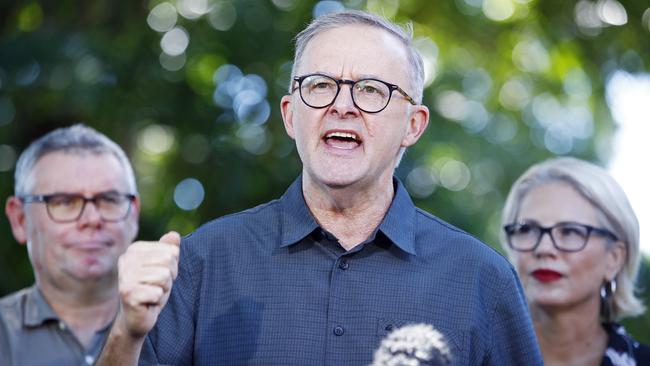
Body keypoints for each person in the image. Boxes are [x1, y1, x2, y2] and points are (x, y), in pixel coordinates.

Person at [99, 10, 542, 365]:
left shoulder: (480, 279)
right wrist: (127, 332)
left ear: (413, 125)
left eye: (371, 89)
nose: (342, 105)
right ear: (291, 115)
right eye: (321, 85)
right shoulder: (204, 263)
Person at [0, 124, 140, 366]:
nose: (92, 219)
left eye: (109, 199)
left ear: (134, 214)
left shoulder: (187, 330)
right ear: (20, 220)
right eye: (65, 202)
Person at [501, 156, 650, 365]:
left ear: (614, 258)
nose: (544, 248)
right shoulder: (469, 356)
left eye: (570, 231)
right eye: (527, 229)